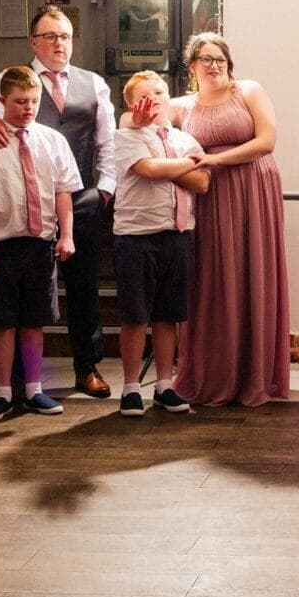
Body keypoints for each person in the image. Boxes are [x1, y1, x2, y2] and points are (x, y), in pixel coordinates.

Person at [0, 6, 115, 400]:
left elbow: (108, 144)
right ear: (33, 41)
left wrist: (103, 191)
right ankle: (22, 379)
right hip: (22, 209)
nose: (59, 44)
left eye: (65, 36)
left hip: (79, 200)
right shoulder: (11, 79)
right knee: (24, 293)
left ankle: (87, 367)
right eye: (50, 36)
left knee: (84, 288)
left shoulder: (94, 84)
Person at [167, 34, 290, 407]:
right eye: (206, 59)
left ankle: (254, 376)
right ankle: (213, 372)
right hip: (209, 196)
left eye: (220, 58)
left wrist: (215, 160)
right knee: (212, 281)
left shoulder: (248, 90)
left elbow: (267, 141)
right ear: (192, 67)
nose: (215, 65)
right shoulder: (180, 106)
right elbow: (130, 119)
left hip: (253, 187)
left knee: (252, 274)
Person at [0, 66, 80, 422]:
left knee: (34, 320)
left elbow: (63, 193)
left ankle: (34, 389)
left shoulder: (52, 140)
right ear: (2, 101)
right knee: (3, 321)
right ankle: (3, 391)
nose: (27, 108)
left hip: (39, 245)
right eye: (20, 101)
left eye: (33, 101)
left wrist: (67, 234)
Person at [112, 72, 210, 417]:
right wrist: (184, 165)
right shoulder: (126, 136)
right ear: (132, 104)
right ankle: (130, 386)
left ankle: (165, 383)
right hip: (136, 237)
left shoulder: (185, 139)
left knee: (169, 315)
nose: (154, 99)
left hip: (177, 234)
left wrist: (177, 166)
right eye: (145, 95)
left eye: (159, 92)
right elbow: (147, 169)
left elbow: (201, 182)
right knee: (136, 315)